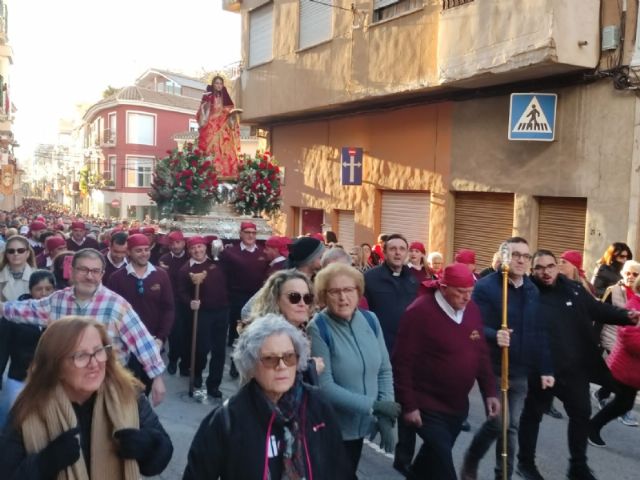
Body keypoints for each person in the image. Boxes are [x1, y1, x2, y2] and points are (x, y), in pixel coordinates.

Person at [0, 317, 173, 478]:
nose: (94, 363)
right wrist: (44, 464)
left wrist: (150, 447)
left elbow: (163, 451)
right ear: (55, 366)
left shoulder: (128, 394)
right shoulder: (29, 407)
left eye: (99, 351)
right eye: (80, 356)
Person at [517, 250, 637, 480]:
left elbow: (596, 309)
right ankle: (525, 463)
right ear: (533, 271)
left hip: (574, 369)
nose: (546, 272)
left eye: (550, 266)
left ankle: (578, 467)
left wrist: (626, 316)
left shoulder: (572, 287)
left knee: (581, 414)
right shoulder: (527, 292)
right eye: (539, 268)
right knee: (533, 415)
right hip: (542, 370)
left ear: (557, 266)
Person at [183, 314, 348, 479]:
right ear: (251, 365)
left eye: (289, 357)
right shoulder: (228, 419)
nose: (282, 366)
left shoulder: (317, 404)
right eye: (270, 359)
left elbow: (340, 470)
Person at [0, 248, 167, 406]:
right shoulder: (57, 300)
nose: (89, 276)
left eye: (95, 271)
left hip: (104, 388)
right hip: (64, 388)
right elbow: (28, 309)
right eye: (83, 269)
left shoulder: (116, 305)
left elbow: (142, 341)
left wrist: (157, 378)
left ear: (102, 274)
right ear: (72, 271)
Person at [393, 263, 500, 480]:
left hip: (457, 407)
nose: (467, 298)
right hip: (426, 406)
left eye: (470, 292)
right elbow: (401, 363)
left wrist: (489, 391)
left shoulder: (471, 310)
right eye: (461, 292)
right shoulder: (419, 312)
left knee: (429, 461)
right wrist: (409, 405)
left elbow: (480, 353)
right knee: (444, 468)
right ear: (443, 288)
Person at [461, 237, 553, 480]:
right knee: (498, 423)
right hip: (493, 367)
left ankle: (503, 476)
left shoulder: (532, 289)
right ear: (504, 257)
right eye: (515, 255)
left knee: (510, 427)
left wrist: (545, 368)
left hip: (520, 369)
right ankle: (472, 459)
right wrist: (493, 334)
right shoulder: (486, 287)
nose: (521, 260)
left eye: (525, 255)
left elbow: (539, 331)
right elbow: (472, 326)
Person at [308, 263, 399, 479]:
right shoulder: (318, 327)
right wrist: (375, 407)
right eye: (335, 291)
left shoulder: (371, 320)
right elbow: (325, 386)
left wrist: (385, 415)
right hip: (333, 430)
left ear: (358, 292)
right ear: (323, 296)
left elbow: (384, 369)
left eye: (348, 290)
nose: (343, 298)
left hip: (361, 428)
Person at [363, 233, 419, 475]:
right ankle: (361, 439)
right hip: (379, 353)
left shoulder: (415, 280)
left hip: (408, 354)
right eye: (393, 249)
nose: (398, 253)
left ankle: (404, 458)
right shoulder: (370, 279)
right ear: (384, 253)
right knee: (377, 403)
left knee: (408, 404)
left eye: (402, 249)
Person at [106, 234, 175, 394]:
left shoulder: (161, 275)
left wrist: (161, 338)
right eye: (139, 250)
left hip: (151, 342)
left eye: (146, 250)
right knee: (125, 387)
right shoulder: (116, 278)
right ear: (128, 252)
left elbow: (168, 308)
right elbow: (110, 312)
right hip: (125, 344)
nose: (144, 253)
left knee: (146, 387)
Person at [589, 274, 640, 448]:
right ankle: (592, 427)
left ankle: (593, 424)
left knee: (624, 402)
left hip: (634, 371)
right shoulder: (634, 305)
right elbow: (629, 337)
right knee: (624, 402)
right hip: (625, 367)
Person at [0, 270, 56, 427]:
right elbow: (2, 348)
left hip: (50, 379)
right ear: (30, 290)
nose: (43, 293)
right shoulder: (15, 314)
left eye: (48, 289)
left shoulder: (60, 313)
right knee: (16, 423)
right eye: (39, 289)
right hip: (19, 378)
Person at [178, 236, 229, 398]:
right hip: (203, 313)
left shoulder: (217, 262)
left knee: (219, 350)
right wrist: (190, 301)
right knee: (202, 347)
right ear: (189, 251)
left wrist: (222, 248)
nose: (197, 251)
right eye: (193, 248)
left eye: (199, 247)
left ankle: (214, 384)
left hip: (222, 310)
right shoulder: (186, 269)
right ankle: (197, 372)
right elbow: (181, 292)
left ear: (205, 247)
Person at [219, 222, 269, 374]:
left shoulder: (263, 253)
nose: (250, 235)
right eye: (247, 232)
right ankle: (235, 364)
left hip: (257, 298)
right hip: (237, 298)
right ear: (240, 234)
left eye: (253, 232)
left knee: (255, 332)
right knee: (237, 333)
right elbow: (222, 275)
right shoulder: (230, 253)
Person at [196, 75, 241, 178]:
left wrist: (233, 114)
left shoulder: (226, 99)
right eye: (216, 83)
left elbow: (230, 113)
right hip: (211, 127)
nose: (219, 85)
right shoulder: (208, 97)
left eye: (220, 83)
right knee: (212, 149)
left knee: (225, 150)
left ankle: (225, 172)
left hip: (223, 127)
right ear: (213, 84)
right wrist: (205, 106)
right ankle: (211, 172)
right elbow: (202, 114)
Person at [158, 230, 189, 375]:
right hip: (173, 300)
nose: (176, 246)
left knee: (188, 334)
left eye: (178, 243)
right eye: (172, 243)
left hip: (189, 301)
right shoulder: (164, 259)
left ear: (183, 243)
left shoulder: (190, 256)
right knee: (175, 334)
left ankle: (185, 364)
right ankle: (173, 359)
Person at [0, 235, 36, 302]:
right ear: (6, 254)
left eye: (21, 250)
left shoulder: (39, 277)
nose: (16, 254)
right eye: (11, 251)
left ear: (28, 253)